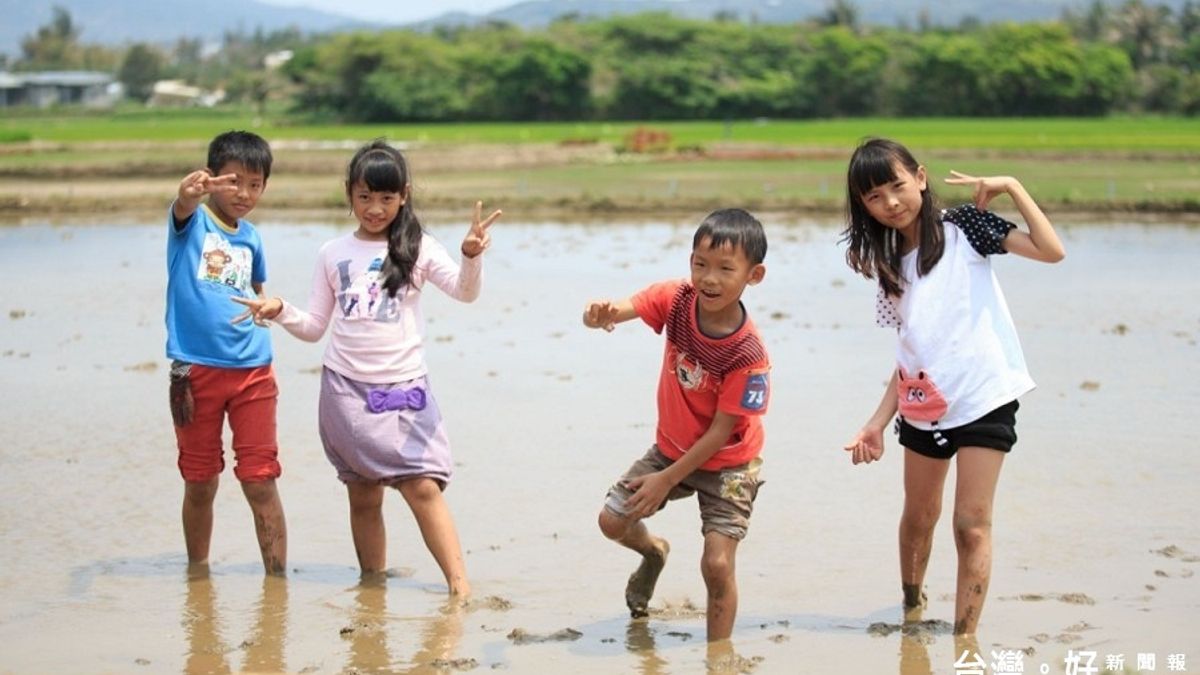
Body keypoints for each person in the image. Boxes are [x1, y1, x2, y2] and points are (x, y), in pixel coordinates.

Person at [233, 140, 500, 595]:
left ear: (404, 196)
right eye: (365, 197)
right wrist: (278, 309)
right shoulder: (332, 253)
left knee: (421, 488)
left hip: (403, 389)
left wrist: (471, 256)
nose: (375, 209)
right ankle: (371, 587)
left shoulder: (419, 248)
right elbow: (316, 326)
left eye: (386, 198)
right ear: (349, 194)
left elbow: (464, 292)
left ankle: (459, 588)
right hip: (345, 391)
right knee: (362, 493)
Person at [840, 137, 1065, 635]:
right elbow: (909, 354)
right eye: (874, 197)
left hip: (985, 396)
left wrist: (1013, 187)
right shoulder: (887, 263)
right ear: (864, 206)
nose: (890, 203)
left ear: (920, 177)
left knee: (972, 524)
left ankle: (965, 641)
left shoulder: (964, 227)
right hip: (923, 404)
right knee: (918, 518)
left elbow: (1052, 251)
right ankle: (911, 608)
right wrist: (878, 422)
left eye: (897, 186)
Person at [583, 208, 771, 642]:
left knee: (717, 565)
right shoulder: (678, 300)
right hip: (672, 446)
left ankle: (717, 658)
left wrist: (665, 481)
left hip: (728, 464)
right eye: (700, 264)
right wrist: (598, 316)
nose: (709, 278)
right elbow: (623, 309)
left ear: (753, 275)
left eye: (726, 269)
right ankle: (653, 553)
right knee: (612, 522)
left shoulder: (749, 355)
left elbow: (721, 433)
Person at [165, 130, 288, 575]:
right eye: (234, 182)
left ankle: (276, 581)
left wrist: (269, 307)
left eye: (256, 185)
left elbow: (258, 290)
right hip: (196, 372)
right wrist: (187, 196)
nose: (244, 194)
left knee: (260, 479)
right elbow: (182, 206)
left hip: (254, 370)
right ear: (212, 177)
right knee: (200, 480)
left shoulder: (252, 237)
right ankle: (197, 573)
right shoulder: (191, 223)